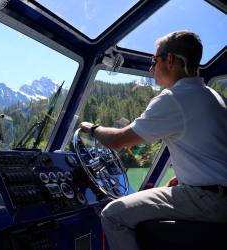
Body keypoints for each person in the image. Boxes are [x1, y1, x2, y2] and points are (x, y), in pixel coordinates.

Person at [79, 30, 227, 250]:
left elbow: (118, 140)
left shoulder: (175, 98)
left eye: (153, 60)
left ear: (170, 60)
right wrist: (189, 175)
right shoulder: (214, 96)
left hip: (210, 199)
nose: (151, 67)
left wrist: (91, 127)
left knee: (112, 215)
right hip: (216, 194)